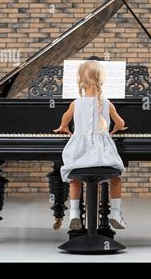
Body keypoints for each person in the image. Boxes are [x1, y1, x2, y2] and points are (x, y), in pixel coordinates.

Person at [53, 61, 127, 230]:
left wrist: (63, 127)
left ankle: (74, 214)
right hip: (102, 154)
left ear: (81, 82)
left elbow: (65, 120)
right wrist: (117, 128)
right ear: (101, 81)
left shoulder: (75, 104)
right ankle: (115, 213)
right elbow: (121, 122)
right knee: (116, 177)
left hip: (80, 154)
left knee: (75, 178)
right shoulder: (107, 103)